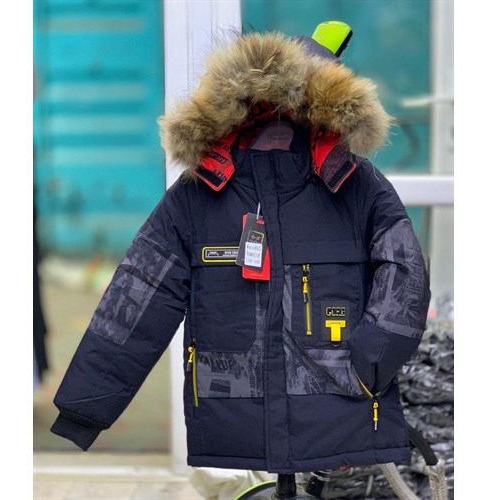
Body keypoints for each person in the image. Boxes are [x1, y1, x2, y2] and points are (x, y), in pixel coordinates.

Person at [51, 30, 430, 474]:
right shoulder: (197, 197)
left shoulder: (357, 187)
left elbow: (405, 271)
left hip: (342, 413)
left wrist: (373, 358)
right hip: (233, 421)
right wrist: (85, 408)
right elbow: (139, 295)